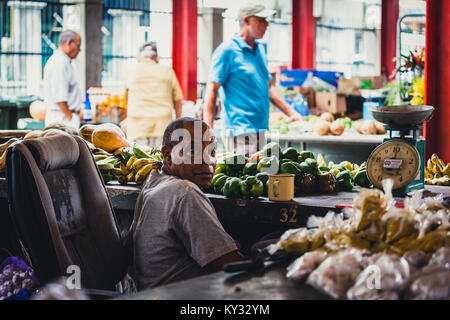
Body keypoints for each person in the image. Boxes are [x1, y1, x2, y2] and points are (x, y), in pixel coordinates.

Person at [130, 117, 244, 289]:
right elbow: (230, 266)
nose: (207, 161)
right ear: (168, 155)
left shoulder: (154, 182)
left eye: (212, 152)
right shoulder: (184, 192)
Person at [203, 2, 303, 157]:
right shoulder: (227, 51)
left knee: (259, 177)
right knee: (243, 178)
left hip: (260, 129)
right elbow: (212, 90)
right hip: (239, 131)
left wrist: (291, 113)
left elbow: (267, 87)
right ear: (246, 20)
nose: (266, 24)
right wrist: (208, 130)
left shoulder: (260, 50)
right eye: (261, 20)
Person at [125, 42, 184, 149]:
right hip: (163, 126)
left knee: (137, 163)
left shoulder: (131, 73)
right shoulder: (167, 71)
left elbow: (124, 101)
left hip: (137, 127)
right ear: (157, 58)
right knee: (161, 161)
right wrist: (178, 122)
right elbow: (178, 99)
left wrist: (125, 121)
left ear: (138, 58)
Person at [43, 30, 83, 130]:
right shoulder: (59, 63)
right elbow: (59, 97)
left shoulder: (63, 61)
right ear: (69, 43)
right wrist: (70, 117)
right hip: (62, 119)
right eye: (78, 45)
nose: (79, 50)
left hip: (64, 117)